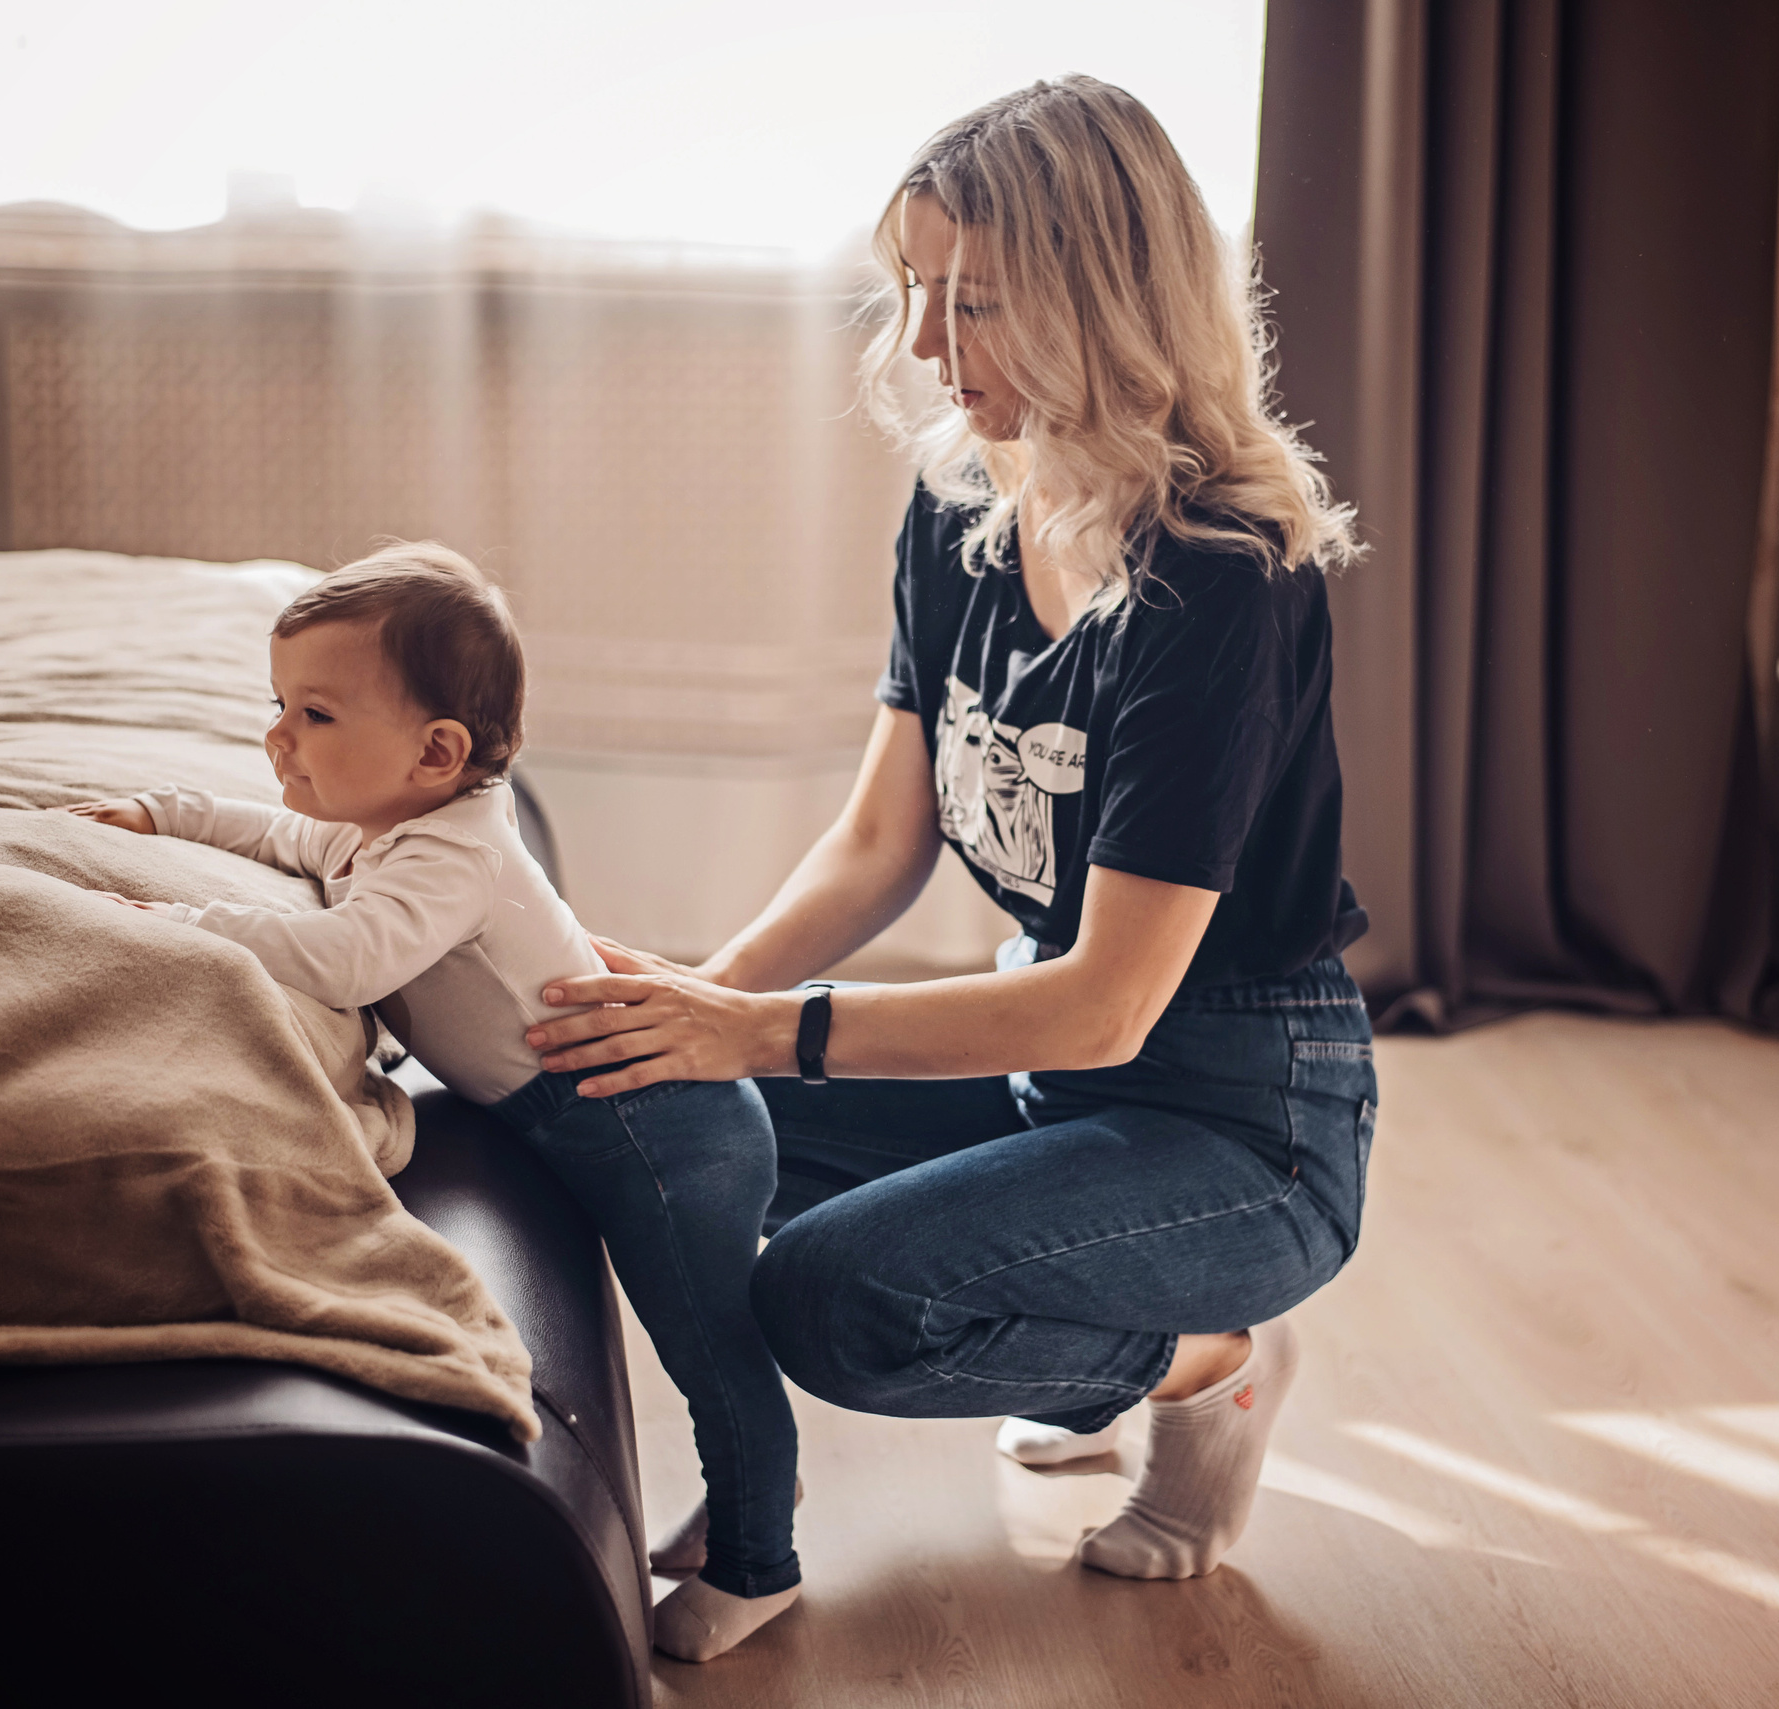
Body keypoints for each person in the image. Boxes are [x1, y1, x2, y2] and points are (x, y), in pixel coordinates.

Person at [521, 76, 1376, 1589]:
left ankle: (1205, 1364)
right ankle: (1084, 1323)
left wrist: (753, 1031)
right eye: (916, 291)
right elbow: (877, 840)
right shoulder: (961, 498)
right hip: (1049, 1068)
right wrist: (686, 1022)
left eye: (973, 303)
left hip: (1243, 1117)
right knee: (659, 1128)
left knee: (839, 1302)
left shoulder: (1220, 579)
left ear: (1105, 299)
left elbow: (1110, 1003)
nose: (924, 345)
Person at [51, 544, 802, 1662]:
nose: (278, 738)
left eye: (312, 713)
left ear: (435, 750)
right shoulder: (397, 819)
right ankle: (736, 1516)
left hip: (653, 1126)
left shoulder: (452, 855)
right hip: (575, 1108)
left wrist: (183, 921)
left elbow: (347, 957)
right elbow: (283, 835)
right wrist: (166, 816)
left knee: (708, 1344)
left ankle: (762, 1564)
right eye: (278, 703)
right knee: (701, 1345)